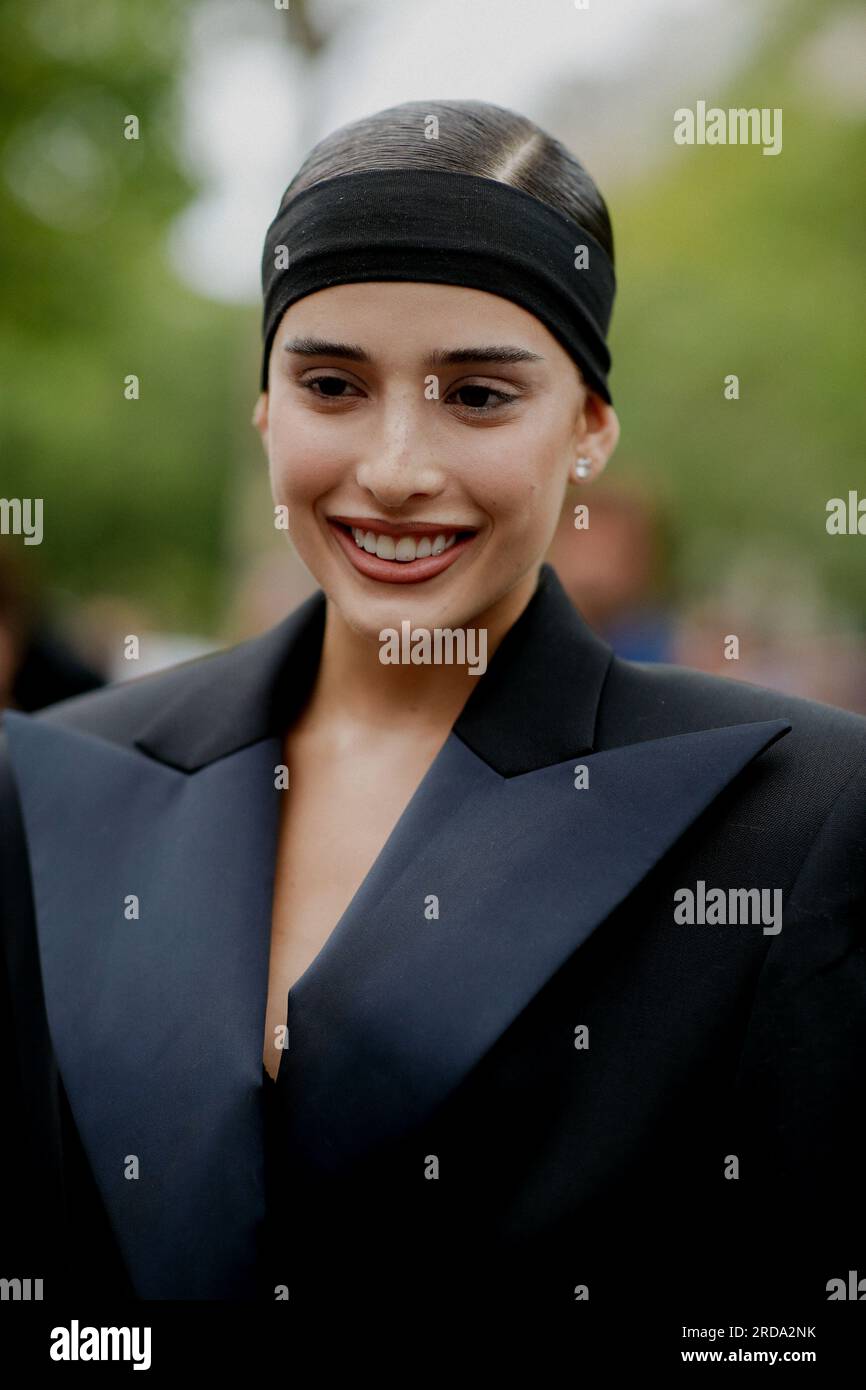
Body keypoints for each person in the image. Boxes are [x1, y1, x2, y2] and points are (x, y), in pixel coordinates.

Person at [1, 100, 864, 1323]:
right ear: (264, 412)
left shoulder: (799, 809)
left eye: (476, 396)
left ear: (589, 430)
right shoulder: (49, 781)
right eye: (331, 384)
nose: (396, 465)